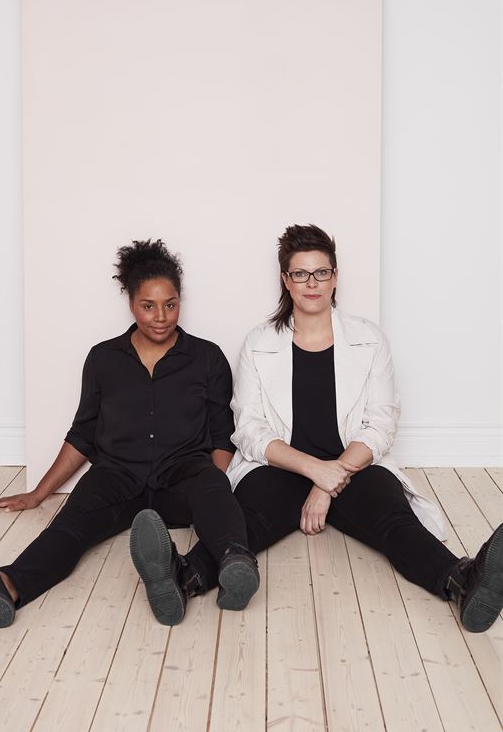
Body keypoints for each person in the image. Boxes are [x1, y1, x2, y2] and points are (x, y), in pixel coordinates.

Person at [178, 224, 502, 634]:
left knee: (393, 519)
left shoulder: (369, 339)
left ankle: (462, 581)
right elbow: (249, 429)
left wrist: (328, 484)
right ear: (286, 280)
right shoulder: (258, 343)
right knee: (247, 522)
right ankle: (182, 577)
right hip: (280, 468)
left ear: (335, 276)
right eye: (301, 273)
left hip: (354, 467)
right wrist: (315, 471)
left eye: (322, 272)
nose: (312, 283)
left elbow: (381, 422)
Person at [0, 239, 259, 628]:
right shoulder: (103, 358)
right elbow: (83, 434)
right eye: (148, 305)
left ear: (180, 302)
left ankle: (234, 563)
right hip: (116, 479)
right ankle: (9, 586)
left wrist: (213, 492)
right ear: (131, 303)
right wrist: (39, 493)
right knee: (71, 524)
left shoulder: (207, 358)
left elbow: (223, 436)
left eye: (170, 304)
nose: (161, 316)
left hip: (183, 479)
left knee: (213, 487)